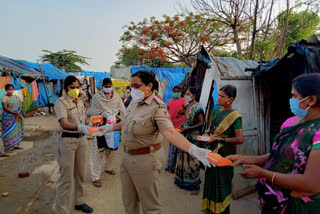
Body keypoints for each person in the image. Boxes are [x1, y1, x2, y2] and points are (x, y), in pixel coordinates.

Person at [95, 70, 215, 214]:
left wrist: (194, 150)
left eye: (136, 86)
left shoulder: (158, 107)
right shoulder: (134, 102)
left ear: (149, 85)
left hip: (146, 159)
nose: (133, 89)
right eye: (131, 86)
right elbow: (126, 123)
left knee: (150, 206)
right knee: (129, 202)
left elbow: (169, 132)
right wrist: (108, 128)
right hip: (127, 157)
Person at [228, 73, 320, 214]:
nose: (291, 100)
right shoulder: (291, 122)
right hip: (271, 202)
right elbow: (278, 155)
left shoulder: (317, 133)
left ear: (311, 100)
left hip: (296, 207)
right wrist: (244, 158)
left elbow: (310, 184)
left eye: (294, 96)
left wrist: (264, 173)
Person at [53, 75, 93, 214]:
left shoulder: (81, 102)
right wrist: (80, 127)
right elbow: (63, 123)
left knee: (80, 174)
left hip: (82, 140)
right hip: (67, 141)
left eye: (78, 87)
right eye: (72, 88)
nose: (75, 90)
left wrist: (93, 122)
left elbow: (85, 120)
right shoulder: (61, 102)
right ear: (65, 88)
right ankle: (61, 209)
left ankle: (79, 201)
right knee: (66, 177)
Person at [201, 85, 244, 214]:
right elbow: (211, 129)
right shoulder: (216, 111)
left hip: (225, 156)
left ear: (230, 99)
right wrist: (207, 135)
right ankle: (211, 210)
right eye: (219, 95)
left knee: (221, 185)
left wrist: (220, 139)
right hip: (212, 153)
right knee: (210, 182)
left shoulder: (235, 116)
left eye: (222, 96)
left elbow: (239, 139)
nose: (219, 98)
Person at [89, 78, 125, 187]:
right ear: (102, 86)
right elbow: (92, 111)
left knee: (112, 149)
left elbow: (123, 110)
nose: (108, 88)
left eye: (110, 86)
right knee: (98, 151)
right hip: (101, 127)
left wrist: (117, 112)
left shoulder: (117, 97)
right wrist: (102, 113)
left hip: (114, 127)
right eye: (106, 86)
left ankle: (109, 167)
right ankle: (95, 177)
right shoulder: (96, 97)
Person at [174, 87, 204, 195]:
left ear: (194, 95)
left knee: (193, 161)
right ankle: (183, 182)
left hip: (193, 137)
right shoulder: (188, 106)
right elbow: (186, 120)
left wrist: (188, 128)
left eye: (188, 93)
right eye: (185, 93)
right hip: (185, 135)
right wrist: (182, 127)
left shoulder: (198, 107)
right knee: (183, 159)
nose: (185, 95)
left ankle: (196, 186)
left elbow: (201, 123)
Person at [165, 85, 188, 173]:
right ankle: (170, 165)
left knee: (178, 146)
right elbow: (167, 111)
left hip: (180, 125)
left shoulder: (184, 101)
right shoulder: (170, 101)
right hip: (171, 125)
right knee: (171, 147)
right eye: (174, 91)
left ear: (181, 92)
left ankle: (176, 167)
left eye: (178, 91)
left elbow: (188, 110)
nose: (176, 93)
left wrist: (181, 113)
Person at [1, 84, 24, 153]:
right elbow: (5, 108)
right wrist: (14, 112)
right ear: (6, 90)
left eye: (12, 89)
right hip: (8, 117)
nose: (11, 91)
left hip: (17, 117)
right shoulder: (4, 98)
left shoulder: (16, 97)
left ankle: (16, 145)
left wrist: (19, 111)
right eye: (9, 89)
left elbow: (20, 106)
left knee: (16, 130)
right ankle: (7, 148)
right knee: (8, 132)